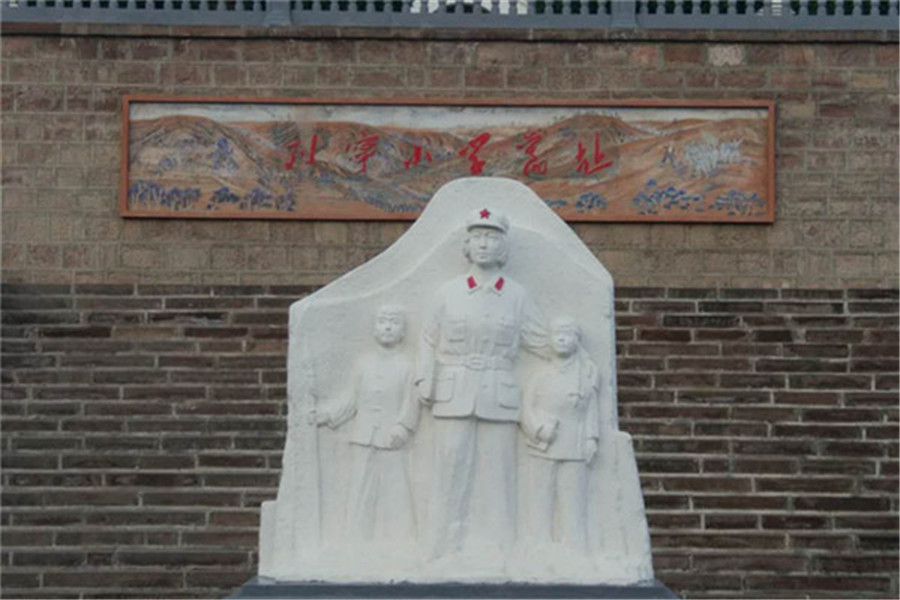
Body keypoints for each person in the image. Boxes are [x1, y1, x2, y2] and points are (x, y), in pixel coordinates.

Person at [416, 207, 548, 559]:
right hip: (454, 389)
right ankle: (440, 545)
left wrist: (570, 354)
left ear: (503, 247)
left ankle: (502, 547)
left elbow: (539, 341)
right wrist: (424, 379)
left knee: (499, 473)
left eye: (492, 238)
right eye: (478, 237)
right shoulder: (447, 292)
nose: (484, 244)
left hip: (498, 391)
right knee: (449, 468)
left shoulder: (517, 295)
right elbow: (427, 340)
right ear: (467, 245)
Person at [311, 305, 419, 542]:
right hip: (363, 435)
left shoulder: (408, 366)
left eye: (394, 322)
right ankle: (355, 539)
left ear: (403, 331)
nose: (388, 327)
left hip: (392, 438)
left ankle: (402, 540)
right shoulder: (363, 364)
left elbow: (412, 402)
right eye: (382, 321)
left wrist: (403, 426)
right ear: (374, 328)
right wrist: (327, 415)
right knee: (359, 488)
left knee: (397, 489)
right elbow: (352, 398)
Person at [521, 315, 599, 551]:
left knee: (572, 496)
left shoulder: (585, 376)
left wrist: (591, 439)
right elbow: (527, 408)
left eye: (568, 335)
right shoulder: (540, 375)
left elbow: (591, 410)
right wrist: (538, 429)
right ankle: (539, 542)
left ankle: (575, 545)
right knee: (541, 494)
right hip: (544, 444)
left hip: (574, 444)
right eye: (558, 335)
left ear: (577, 340)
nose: (563, 339)